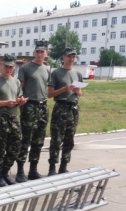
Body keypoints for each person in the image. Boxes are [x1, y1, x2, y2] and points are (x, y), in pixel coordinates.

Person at [0, 54, 27, 187]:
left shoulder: (16, 82)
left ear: (13, 68)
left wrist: (20, 101)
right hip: (1, 118)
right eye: (6, 66)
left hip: (14, 118)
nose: (8, 69)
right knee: (0, 148)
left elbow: (18, 97)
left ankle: (5, 171)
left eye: (11, 67)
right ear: (2, 66)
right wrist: (4, 103)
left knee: (15, 146)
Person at [16, 39, 51, 182]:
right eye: (37, 51)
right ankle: (19, 171)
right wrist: (21, 102)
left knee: (39, 140)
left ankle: (33, 170)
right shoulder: (25, 68)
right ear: (34, 52)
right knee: (25, 139)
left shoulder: (47, 69)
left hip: (43, 106)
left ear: (46, 53)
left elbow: (47, 88)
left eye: (42, 51)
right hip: (30, 106)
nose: (40, 54)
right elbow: (20, 87)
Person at [48, 47, 84, 176]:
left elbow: (81, 92)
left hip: (73, 109)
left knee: (69, 139)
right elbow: (50, 94)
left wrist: (77, 91)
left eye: (73, 56)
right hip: (61, 108)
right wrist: (65, 89)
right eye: (69, 56)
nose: (71, 59)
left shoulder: (78, 74)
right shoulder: (56, 73)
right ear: (63, 57)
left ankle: (63, 166)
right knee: (56, 139)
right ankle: (52, 167)